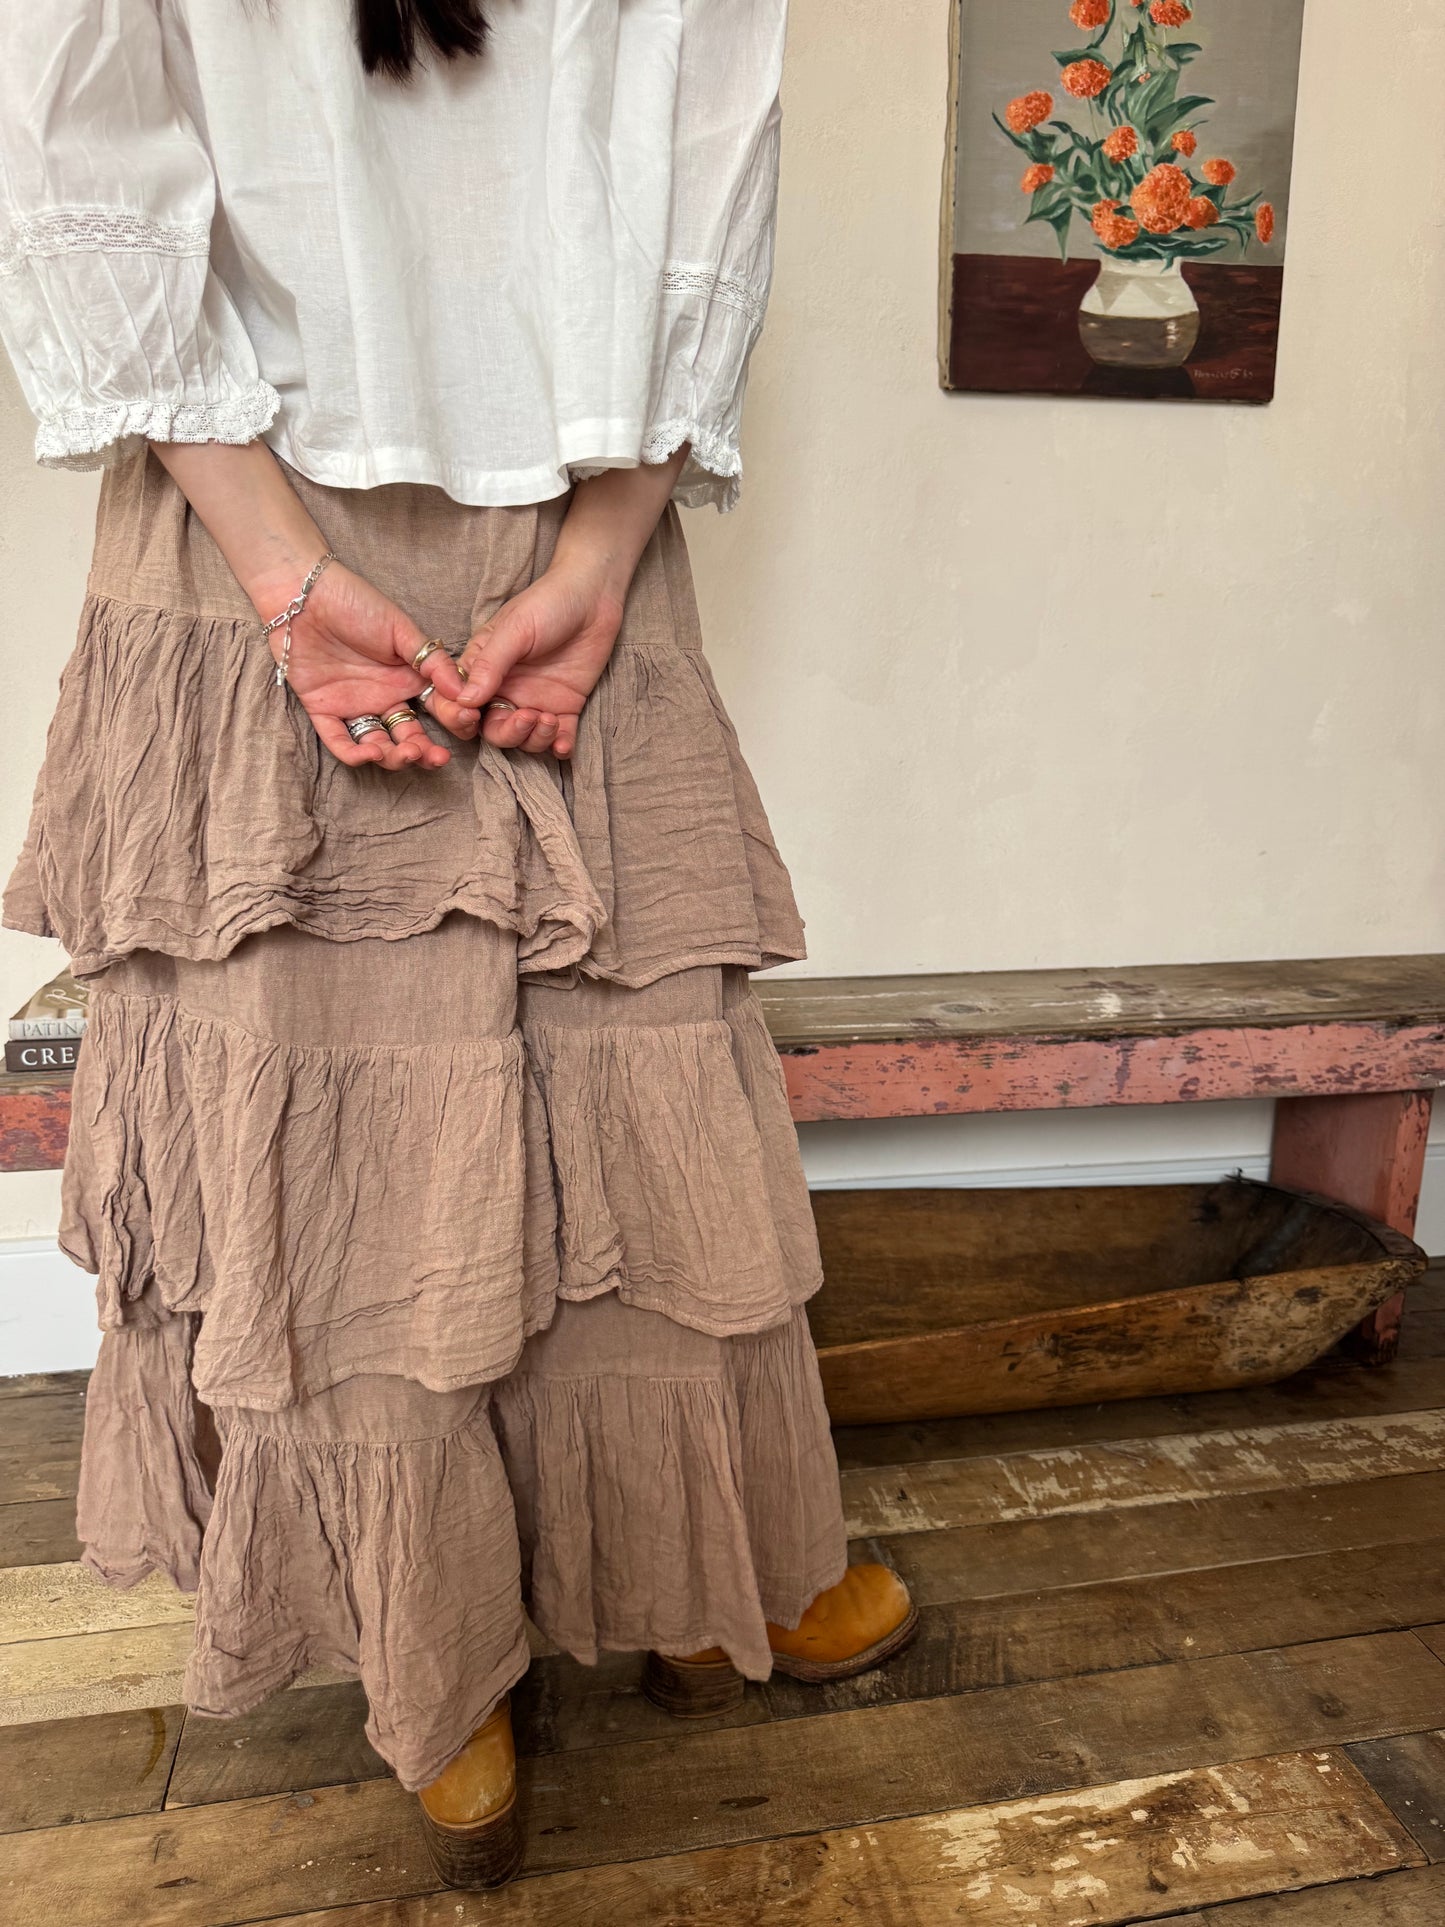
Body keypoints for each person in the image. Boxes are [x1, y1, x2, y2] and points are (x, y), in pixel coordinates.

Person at [0, 0, 916, 1890]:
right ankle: (437, 1639)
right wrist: (293, 573)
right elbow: (83, 149)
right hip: (258, 520)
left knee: (628, 1082)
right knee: (338, 1130)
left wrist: (598, 551)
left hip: (542, 524)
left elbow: (709, 159)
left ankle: (679, 1562)